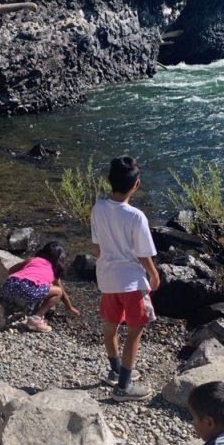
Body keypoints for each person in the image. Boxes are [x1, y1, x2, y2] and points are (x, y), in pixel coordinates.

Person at [90, 155, 160, 401]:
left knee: (111, 326)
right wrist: (153, 274)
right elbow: (143, 254)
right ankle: (124, 387)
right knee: (135, 330)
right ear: (136, 185)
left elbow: (97, 248)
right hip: (131, 282)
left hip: (107, 280)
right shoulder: (136, 216)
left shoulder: (98, 207)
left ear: (109, 180)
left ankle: (115, 370)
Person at [0, 240, 81, 333]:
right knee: (58, 292)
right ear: (59, 259)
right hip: (30, 290)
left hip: (11, 282)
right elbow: (63, 294)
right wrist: (70, 308)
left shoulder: (33, 260)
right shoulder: (54, 271)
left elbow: (11, 270)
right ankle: (36, 319)